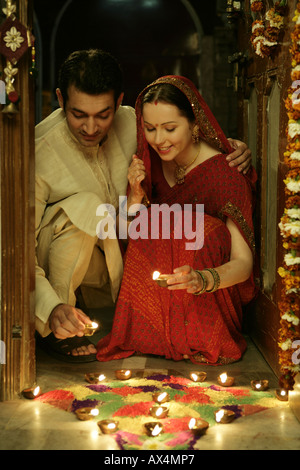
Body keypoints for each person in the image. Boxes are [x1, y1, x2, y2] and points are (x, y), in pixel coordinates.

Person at [35, 49, 252, 362]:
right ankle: (59, 324)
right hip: (63, 259)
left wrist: (229, 146)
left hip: (123, 256)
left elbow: (180, 131)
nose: (91, 127)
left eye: (103, 114)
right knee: (87, 206)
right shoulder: (38, 149)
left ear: (120, 101)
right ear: (60, 99)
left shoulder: (136, 123)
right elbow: (16, 248)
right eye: (78, 115)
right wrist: (48, 307)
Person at [96, 75, 258, 365]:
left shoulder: (227, 175)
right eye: (150, 129)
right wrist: (134, 197)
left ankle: (196, 337)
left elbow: (244, 264)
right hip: (157, 299)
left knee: (204, 229)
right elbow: (130, 236)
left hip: (208, 298)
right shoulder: (149, 165)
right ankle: (150, 334)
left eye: (170, 128)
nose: (159, 140)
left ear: (195, 124)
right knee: (155, 222)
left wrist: (202, 279)